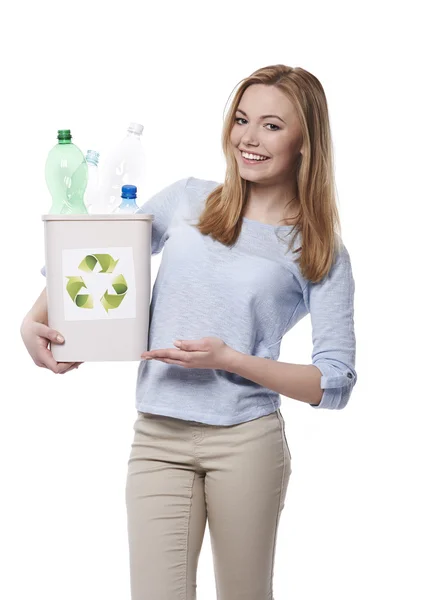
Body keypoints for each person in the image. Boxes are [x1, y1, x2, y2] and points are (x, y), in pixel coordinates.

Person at [21, 64, 357, 599]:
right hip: (157, 435)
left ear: (305, 142)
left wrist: (231, 359)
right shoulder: (189, 200)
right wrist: (35, 318)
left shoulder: (317, 250)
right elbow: (101, 254)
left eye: (271, 126)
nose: (248, 137)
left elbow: (334, 382)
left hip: (245, 440)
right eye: (241, 119)